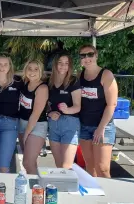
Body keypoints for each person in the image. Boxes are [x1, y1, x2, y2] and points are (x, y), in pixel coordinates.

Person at [79, 44, 118, 178]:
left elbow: (111, 104)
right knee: (90, 166)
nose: (86, 58)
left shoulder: (106, 75)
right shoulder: (80, 75)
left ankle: (109, 197)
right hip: (84, 126)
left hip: (103, 127)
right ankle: (95, 197)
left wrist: (100, 128)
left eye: (90, 54)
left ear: (96, 55)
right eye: (83, 56)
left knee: (103, 168)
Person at [0, 55, 23, 173]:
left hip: (10, 124)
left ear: (10, 67)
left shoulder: (18, 81)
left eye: (5, 64)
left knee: (3, 165)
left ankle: (2, 188)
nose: (2, 67)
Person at [47, 53, 81, 169]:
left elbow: (77, 106)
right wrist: (49, 113)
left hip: (69, 124)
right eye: (60, 63)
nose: (63, 66)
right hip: (53, 125)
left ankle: (68, 187)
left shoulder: (73, 81)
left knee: (66, 166)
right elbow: (45, 105)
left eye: (66, 63)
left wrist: (67, 110)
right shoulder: (49, 82)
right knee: (58, 164)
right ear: (55, 64)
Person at [19, 60, 48, 174]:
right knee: (31, 162)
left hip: (37, 125)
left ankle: (36, 189)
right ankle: (36, 187)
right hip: (22, 123)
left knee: (27, 163)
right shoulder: (25, 83)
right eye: (29, 68)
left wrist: (26, 133)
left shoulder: (42, 88)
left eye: (36, 69)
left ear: (41, 71)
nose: (32, 72)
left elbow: (35, 114)